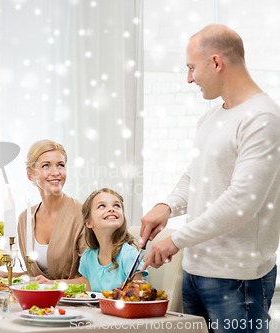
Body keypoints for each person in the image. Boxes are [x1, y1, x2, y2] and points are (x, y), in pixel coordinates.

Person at [140, 24, 280, 332]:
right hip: (195, 272)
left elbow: (242, 201)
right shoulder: (212, 116)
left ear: (216, 62)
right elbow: (196, 176)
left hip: (238, 279)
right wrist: (166, 206)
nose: (189, 78)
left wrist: (176, 239)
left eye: (191, 68)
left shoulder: (262, 118)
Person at [0, 139, 86, 280]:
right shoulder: (25, 219)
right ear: (30, 175)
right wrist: (8, 275)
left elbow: (91, 279)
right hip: (37, 301)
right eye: (46, 166)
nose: (55, 172)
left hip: (73, 301)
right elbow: (39, 277)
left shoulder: (82, 215)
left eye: (60, 165)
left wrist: (52, 286)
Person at [39, 188, 145, 291]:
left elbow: (138, 290)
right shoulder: (88, 257)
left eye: (117, 205)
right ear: (89, 222)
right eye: (102, 206)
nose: (111, 209)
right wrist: (51, 283)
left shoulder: (129, 254)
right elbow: (85, 284)